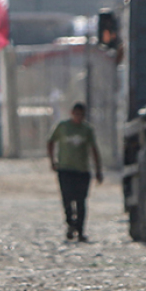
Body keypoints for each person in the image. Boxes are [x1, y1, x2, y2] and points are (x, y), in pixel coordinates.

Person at [47, 102, 103, 242]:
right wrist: (52, 161)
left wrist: (98, 170)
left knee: (81, 201)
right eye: (76, 114)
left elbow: (93, 149)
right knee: (67, 199)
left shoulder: (87, 130)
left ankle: (80, 229)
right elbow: (51, 142)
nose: (78, 117)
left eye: (81, 115)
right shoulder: (63, 127)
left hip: (82, 170)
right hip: (65, 169)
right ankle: (70, 224)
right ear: (72, 113)